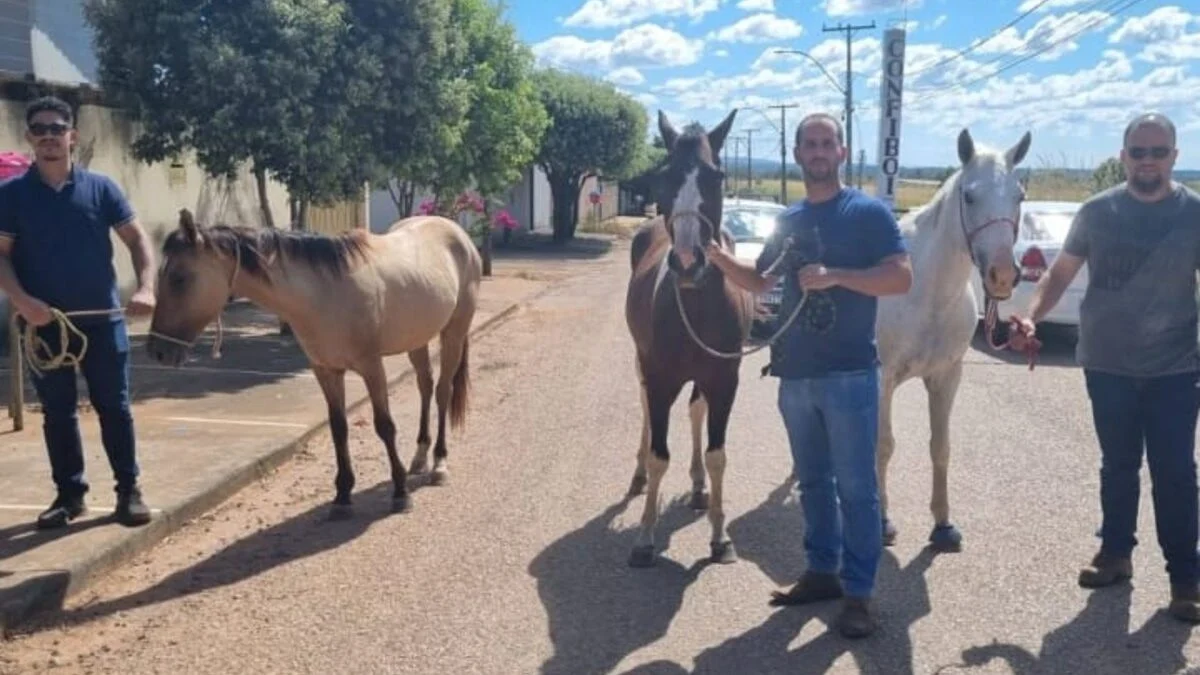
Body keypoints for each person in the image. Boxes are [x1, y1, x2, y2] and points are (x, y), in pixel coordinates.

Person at [704, 112, 912, 638]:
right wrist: (716, 257)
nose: (818, 152)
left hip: (849, 374)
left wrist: (837, 275)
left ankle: (859, 594)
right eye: (809, 144)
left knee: (858, 489)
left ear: (841, 152)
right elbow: (760, 280)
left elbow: (900, 277)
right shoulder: (790, 220)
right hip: (795, 376)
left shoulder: (867, 213)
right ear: (797, 154)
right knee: (814, 482)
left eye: (826, 143)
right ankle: (823, 572)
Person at [1009, 112, 1200, 623]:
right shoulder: (1097, 212)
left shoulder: (1194, 214)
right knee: (1118, 465)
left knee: (1175, 472)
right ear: (1123, 157)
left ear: (1175, 157)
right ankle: (1116, 554)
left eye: (1158, 152)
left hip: (1175, 368)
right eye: (1138, 152)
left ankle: (1186, 578)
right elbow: (1058, 275)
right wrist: (1030, 317)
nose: (1147, 161)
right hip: (1107, 365)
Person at [0, 96, 157, 529]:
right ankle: (70, 496)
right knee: (58, 413)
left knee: (115, 408)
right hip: (45, 326)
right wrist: (23, 302)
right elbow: (2, 256)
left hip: (103, 322)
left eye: (57, 128)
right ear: (29, 137)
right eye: (40, 129)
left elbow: (137, 240)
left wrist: (146, 287)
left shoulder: (101, 189)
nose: (49, 136)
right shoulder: (11, 196)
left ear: (73, 135)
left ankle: (129, 491)